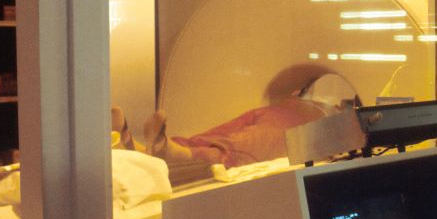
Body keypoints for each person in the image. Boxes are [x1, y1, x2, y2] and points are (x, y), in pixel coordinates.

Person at [113, 72, 361, 168]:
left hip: (292, 115)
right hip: (293, 113)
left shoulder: (342, 117)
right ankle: (159, 150)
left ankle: (160, 150)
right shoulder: (339, 112)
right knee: (236, 140)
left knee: (236, 142)